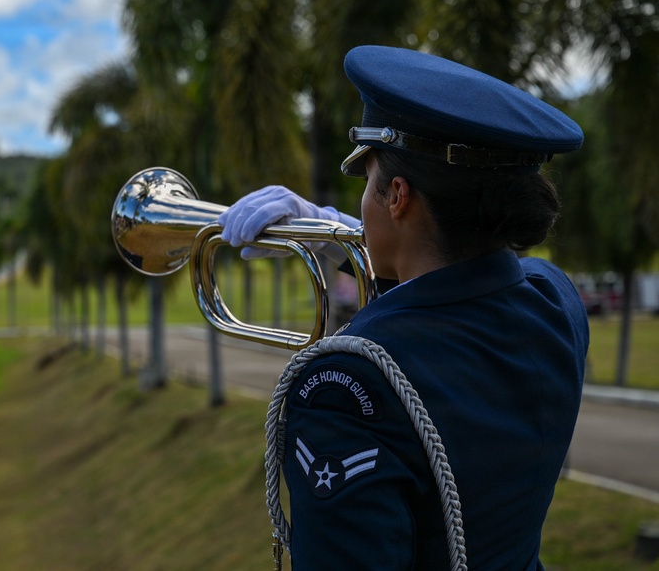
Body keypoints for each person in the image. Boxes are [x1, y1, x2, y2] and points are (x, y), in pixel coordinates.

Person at [218, 45, 589, 570]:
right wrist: (327, 234)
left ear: (397, 195)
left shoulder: (345, 385)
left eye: (367, 184)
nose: (360, 209)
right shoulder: (556, 302)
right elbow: (460, 286)